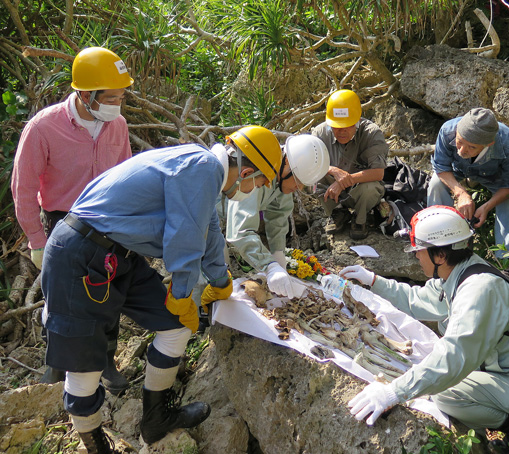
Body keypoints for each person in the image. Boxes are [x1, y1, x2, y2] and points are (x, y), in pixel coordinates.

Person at [40, 125, 282, 451]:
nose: (255, 190)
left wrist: (221, 281)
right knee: (85, 367)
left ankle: (156, 419)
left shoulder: (203, 170)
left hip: (117, 255)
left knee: (176, 326)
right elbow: (185, 239)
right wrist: (182, 294)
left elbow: (208, 230)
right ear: (248, 171)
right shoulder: (202, 167)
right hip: (80, 253)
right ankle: (96, 444)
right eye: (260, 183)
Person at [340, 206, 509, 448]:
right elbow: (417, 300)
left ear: (440, 256)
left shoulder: (479, 290)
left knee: (446, 393)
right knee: (434, 376)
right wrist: (373, 281)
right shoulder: (463, 273)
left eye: (419, 251)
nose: (415, 256)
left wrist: (393, 392)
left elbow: (454, 357)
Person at [11, 46, 134, 392]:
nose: (117, 103)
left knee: (108, 295)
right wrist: (37, 241)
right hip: (62, 222)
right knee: (60, 299)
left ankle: (105, 361)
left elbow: (125, 176)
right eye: (110, 97)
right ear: (85, 93)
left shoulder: (118, 126)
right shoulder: (43, 128)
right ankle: (57, 365)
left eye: (121, 96)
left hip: (108, 222)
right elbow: (22, 189)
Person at [226, 134, 330, 299]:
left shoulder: (282, 176)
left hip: (225, 222)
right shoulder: (260, 170)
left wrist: (278, 253)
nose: (299, 187)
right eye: (298, 181)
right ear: (287, 162)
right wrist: (270, 266)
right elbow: (241, 231)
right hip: (207, 222)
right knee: (215, 279)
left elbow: (278, 215)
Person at [427, 107, 509, 258]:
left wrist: (486, 207)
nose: (462, 150)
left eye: (472, 147)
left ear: (489, 144)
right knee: (435, 184)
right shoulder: (448, 130)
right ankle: (439, 241)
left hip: (494, 177)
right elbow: (441, 167)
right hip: (458, 170)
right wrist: (461, 193)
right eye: (459, 141)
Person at [312, 89, 388, 240]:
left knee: (370, 188)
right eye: (336, 126)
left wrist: (343, 182)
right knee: (313, 178)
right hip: (331, 190)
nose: (341, 131)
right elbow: (309, 163)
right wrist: (332, 170)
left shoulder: (372, 134)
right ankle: (337, 213)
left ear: (357, 121)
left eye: (347, 125)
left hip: (360, 190)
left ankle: (361, 219)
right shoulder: (320, 133)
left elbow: (378, 173)